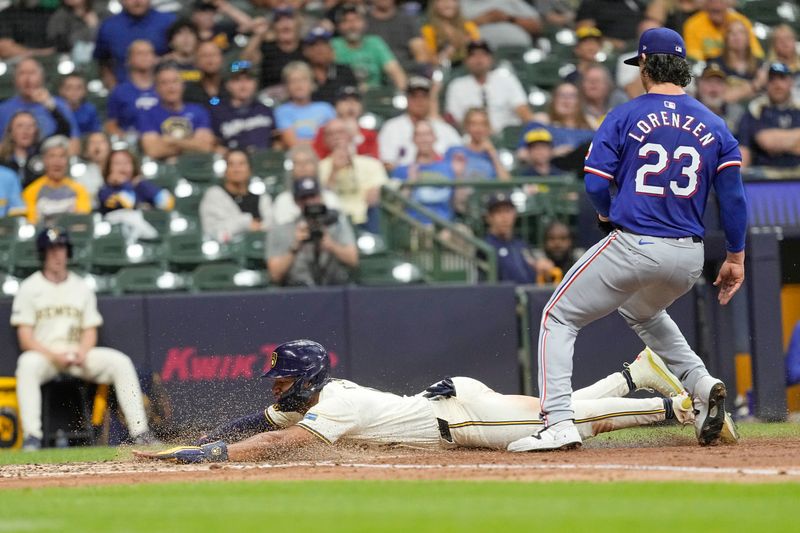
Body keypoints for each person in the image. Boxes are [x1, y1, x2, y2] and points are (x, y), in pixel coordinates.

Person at [507, 28, 746, 452]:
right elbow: (733, 199)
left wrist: (606, 212)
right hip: (689, 255)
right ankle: (701, 383)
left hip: (636, 243)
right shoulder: (714, 124)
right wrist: (736, 257)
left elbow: (596, 181)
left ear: (647, 66)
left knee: (557, 318)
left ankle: (558, 421)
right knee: (644, 312)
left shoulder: (626, 114)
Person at [133, 339, 705, 463]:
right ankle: (637, 371)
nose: (276, 388)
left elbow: (280, 440)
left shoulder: (336, 401)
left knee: (567, 425)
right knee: (555, 413)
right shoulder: (309, 399)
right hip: (454, 412)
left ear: (305, 379)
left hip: (463, 418)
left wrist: (206, 456)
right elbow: (257, 422)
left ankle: (677, 409)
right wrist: (198, 441)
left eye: (283, 381)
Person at [13, 227, 157, 450]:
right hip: (46, 356)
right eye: (51, 250)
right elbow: (25, 337)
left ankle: (140, 432)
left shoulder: (80, 286)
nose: (56, 255)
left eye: (60, 249)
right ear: (43, 254)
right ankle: (32, 437)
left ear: (67, 252)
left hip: (78, 353)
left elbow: (90, 330)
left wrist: (81, 351)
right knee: (27, 364)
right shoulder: (29, 287)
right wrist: (54, 356)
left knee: (120, 361)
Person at [266, 178, 358, 286]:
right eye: (304, 198)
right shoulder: (282, 230)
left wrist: (331, 245)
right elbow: (275, 275)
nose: (309, 202)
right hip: (297, 290)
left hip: (332, 287)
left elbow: (353, 260)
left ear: (321, 197)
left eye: (313, 196)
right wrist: (295, 246)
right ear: (296, 201)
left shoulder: (336, 225)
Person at [444, 40, 533, 135]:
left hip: (505, 137)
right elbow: (455, 120)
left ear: (491, 59)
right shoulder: (457, 85)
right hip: (471, 139)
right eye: (473, 55)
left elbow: (523, 110)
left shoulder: (506, 79)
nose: (478, 59)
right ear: (466, 60)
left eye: (483, 55)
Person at [318, 118, 388, 231]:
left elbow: (377, 196)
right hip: (333, 221)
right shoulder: (319, 167)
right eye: (330, 134)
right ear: (325, 140)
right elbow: (322, 199)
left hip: (366, 218)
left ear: (350, 135)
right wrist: (334, 171)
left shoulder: (371, 164)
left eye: (340, 132)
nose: (336, 137)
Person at [378, 75, 461, 169]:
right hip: (404, 181)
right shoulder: (391, 128)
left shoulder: (445, 129)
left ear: (430, 100)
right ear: (407, 99)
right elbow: (387, 164)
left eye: (424, 96)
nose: (419, 101)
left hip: (441, 180)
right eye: (414, 96)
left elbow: (460, 160)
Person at [137, 62, 215, 160]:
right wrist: (191, 144)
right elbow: (153, 151)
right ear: (156, 88)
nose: (171, 87)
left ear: (183, 85)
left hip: (196, 167)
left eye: (175, 81)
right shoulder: (148, 114)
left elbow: (205, 147)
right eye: (164, 83)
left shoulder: (199, 111)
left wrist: (171, 141)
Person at [0, 58, 81, 151]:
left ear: (42, 77)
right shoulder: (3, 109)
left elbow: (74, 142)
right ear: (14, 79)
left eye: (32, 73)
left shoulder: (59, 106)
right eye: (22, 73)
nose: (27, 79)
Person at [94, 0, 177, 87]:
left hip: (165, 90)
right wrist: (114, 89)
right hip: (124, 92)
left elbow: (184, 56)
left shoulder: (169, 22)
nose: (137, 1)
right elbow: (102, 62)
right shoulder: (109, 27)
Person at [391, 120, 457, 224]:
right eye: (419, 135)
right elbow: (395, 207)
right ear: (413, 139)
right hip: (412, 226)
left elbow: (458, 204)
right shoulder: (401, 170)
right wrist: (410, 183)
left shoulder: (449, 167)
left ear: (435, 138)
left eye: (427, 134)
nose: (423, 139)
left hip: (444, 226)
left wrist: (460, 175)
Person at [199, 149, 271, 242]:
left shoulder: (262, 199)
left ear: (250, 170)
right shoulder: (214, 195)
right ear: (225, 170)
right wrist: (246, 224)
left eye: (241, 164)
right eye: (231, 164)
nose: (236, 169)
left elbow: (270, 227)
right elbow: (212, 231)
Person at [330, 4, 407, 91]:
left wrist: (401, 93)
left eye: (356, 20)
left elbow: (396, 72)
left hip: (376, 96)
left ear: (365, 23)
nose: (352, 25)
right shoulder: (333, 45)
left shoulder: (375, 43)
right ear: (338, 26)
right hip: (345, 97)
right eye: (346, 21)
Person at [737, 63, 800, 169]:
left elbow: (772, 142)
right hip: (765, 178)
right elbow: (767, 142)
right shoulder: (756, 110)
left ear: (791, 82)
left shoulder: (798, 110)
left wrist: (776, 140)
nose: (777, 84)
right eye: (772, 79)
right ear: (766, 84)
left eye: (782, 78)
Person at [22, 136, 91, 225]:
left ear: (68, 161)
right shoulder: (31, 191)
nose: (57, 162)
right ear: (44, 160)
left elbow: (81, 221)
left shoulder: (79, 190)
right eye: (52, 156)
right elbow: (31, 223)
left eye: (62, 156)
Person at [211, 61, 276, 152]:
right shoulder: (218, 113)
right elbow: (213, 145)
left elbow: (277, 141)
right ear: (228, 85)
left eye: (248, 79)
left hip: (264, 162)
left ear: (255, 83)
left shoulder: (265, 110)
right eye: (237, 80)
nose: (243, 85)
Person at [521, 82, 595, 161]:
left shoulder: (590, 126)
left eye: (572, 96)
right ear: (554, 100)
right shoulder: (540, 124)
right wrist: (551, 154)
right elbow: (522, 154)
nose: (566, 100)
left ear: (579, 102)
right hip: (553, 168)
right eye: (562, 95)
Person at [271, 145, 341, 227]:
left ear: (316, 166)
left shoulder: (330, 198)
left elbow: (341, 231)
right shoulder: (283, 200)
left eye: (308, 162)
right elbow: (281, 233)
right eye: (297, 163)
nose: (303, 167)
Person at [105, 40, 160, 137]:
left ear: (155, 58)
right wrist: (127, 140)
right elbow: (110, 125)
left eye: (149, 53)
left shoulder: (165, 88)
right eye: (140, 53)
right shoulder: (119, 92)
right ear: (129, 60)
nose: (145, 56)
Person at [275, 62, 337, 147]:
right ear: (287, 86)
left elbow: (336, 138)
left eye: (303, 80)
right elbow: (293, 143)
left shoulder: (325, 108)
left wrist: (307, 142)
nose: (299, 85)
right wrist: (322, 142)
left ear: (312, 83)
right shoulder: (282, 111)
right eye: (293, 81)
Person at [241, 8, 304, 91]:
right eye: (279, 21)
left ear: (297, 24)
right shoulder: (266, 48)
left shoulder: (307, 47)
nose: (285, 24)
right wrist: (259, 35)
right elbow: (241, 65)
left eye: (289, 19)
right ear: (273, 27)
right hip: (270, 99)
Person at [482, 192, 538, 284]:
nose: (504, 217)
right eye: (498, 212)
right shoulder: (485, 247)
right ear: (489, 217)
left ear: (514, 214)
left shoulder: (521, 244)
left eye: (507, 211)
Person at [705, 19, 766, 104]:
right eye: (732, 33)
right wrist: (755, 85)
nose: (737, 37)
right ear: (726, 38)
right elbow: (722, 98)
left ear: (748, 38)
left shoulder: (759, 64)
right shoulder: (716, 64)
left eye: (741, 33)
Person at [682, 0, 763, 62]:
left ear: (728, 4)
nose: (717, 4)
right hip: (709, 73)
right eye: (712, 1)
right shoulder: (693, 24)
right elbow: (693, 57)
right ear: (705, 4)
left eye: (721, 1)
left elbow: (757, 54)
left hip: (738, 70)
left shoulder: (741, 22)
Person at [98, 149, 174, 215]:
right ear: (109, 168)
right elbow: (128, 203)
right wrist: (125, 184)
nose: (123, 167)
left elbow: (167, 203)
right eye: (117, 163)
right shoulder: (105, 191)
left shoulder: (141, 187)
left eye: (127, 163)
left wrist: (143, 184)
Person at [312, 86, 378, 159]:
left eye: (356, 100)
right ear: (336, 106)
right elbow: (318, 158)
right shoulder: (325, 131)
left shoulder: (370, 134)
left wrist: (356, 137)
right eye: (345, 100)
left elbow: (373, 160)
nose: (351, 104)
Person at [444, 108, 510, 181]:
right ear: (466, 127)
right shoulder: (455, 151)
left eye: (482, 124)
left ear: (488, 127)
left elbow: (506, 182)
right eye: (473, 124)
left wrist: (492, 152)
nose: (478, 129)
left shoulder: (494, 155)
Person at [302, 27, 359, 106]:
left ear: (331, 49)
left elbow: (354, 101)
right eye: (314, 45)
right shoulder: (300, 75)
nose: (320, 49)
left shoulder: (345, 72)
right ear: (306, 51)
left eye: (324, 44)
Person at [365, 0, 425, 69]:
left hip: (407, 69)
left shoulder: (408, 20)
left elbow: (421, 55)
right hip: (374, 71)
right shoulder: (363, 23)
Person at [420, 0, 480, 67]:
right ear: (434, 5)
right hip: (445, 71)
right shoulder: (428, 30)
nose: (447, 3)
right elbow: (432, 62)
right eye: (441, 1)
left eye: (452, 0)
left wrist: (470, 43)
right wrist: (453, 47)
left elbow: (479, 51)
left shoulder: (468, 26)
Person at [459, 0, 541, 49]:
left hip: (519, 52)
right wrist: (477, 22)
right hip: (479, 54)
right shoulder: (460, 4)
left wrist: (508, 18)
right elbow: (452, 32)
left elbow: (537, 27)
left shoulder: (510, 1)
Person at [694, 63, 744, 135]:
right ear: (699, 86)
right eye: (709, 82)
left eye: (719, 82)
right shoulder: (687, 113)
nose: (714, 88)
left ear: (726, 87)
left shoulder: (737, 114)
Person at [0, 111, 43, 189]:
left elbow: (64, 129)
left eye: (30, 126)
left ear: (36, 131)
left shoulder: (42, 158)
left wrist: (49, 104)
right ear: (11, 132)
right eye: (20, 126)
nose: (26, 131)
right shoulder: (2, 160)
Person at [579, 64, 626, 130]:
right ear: (582, 85)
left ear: (607, 84)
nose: (593, 84)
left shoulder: (619, 101)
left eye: (597, 80)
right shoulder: (576, 106)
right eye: (589, 80)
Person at [183, 40, 227, 108]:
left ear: (221, 59)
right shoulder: (189, 93)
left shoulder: (231, 88)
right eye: (204, 56)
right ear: (196, 62)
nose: (210, 60)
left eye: (213, 55)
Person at [74, 131, 111, 205]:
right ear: (86, 150)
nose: (97, 146)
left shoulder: (118, 168)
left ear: (109, 147)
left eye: (101, 142)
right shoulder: (81, 176)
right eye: (92, 142)